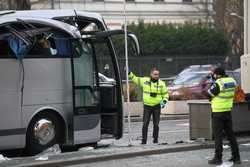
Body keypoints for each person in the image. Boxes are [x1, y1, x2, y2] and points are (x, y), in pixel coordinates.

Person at [207, 67, 241, 165]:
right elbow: (235, 93)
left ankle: (218, 158)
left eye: (214, 74)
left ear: (217, 74)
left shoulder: (218, 83)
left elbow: (209, 95)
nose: (213, 75)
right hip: (227, 111)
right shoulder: (232, 81)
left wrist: (212, 84)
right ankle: (236, 157)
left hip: (218, 112)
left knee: (218, 136)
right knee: (231, 135)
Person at [129, 68, 169, 144]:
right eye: (155, 74)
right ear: (151, 74)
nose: (157, 76)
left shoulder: (161, 83)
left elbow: (166, 94)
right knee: (145, 124)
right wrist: (129, 73)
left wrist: (164, 102)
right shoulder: (145, 81)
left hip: (157, 106)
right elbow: (135, 79)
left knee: (156, 124)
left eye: (157, 74)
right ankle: (144, 140)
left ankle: (155, 140)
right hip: (147, 106)